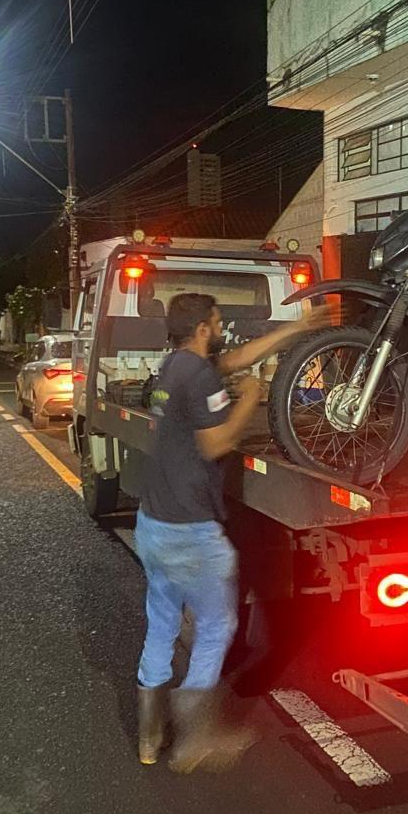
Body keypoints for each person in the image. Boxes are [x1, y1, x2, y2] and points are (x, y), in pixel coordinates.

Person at [135, 291, 327, 772]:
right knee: (218, 625)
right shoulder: (199, 376)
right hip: (191, 529)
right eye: (217, 322)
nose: (221, 329)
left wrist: (297, 329)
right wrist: (251, 399)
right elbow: (216, 442)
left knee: (161, 623)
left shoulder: (174, 366)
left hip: (154, 523)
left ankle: (149, 736)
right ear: (203, 327)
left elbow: (239, 357)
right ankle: (195, 737)